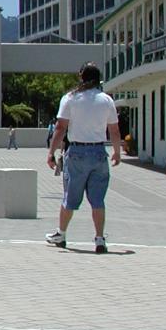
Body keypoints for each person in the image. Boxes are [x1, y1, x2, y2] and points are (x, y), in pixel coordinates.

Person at [45, 62, 124, 253]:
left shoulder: (70, 98)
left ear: (81, 76)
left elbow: (61, 127)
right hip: (98, 152)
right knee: (97, 200)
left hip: (77, 153)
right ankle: (99, 239)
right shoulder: (106, 100)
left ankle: (61, 234)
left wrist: (51, 152)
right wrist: (117, 151)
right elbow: (114, 129)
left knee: (70, 197)